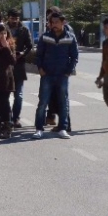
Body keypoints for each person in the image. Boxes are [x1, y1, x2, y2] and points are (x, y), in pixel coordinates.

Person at [33, 12, 78, 140]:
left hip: (62, 75)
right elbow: (39, 55)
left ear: (63, 22)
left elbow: (74, 56)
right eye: (52, 22)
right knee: (43, 102)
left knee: (63, 102)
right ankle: (39, 128)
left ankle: (63, 128)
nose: (54, 25)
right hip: (47, 75)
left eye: (56, 22)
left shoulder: (70, 38)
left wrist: (69, 71)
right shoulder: (45, 37)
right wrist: (40, 69)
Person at [6, 9, 33, 128]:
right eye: (12, 18)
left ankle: (15, 118)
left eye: (16, 19)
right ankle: (6, 118)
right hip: (6, 66)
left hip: (19, 65)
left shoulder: (24, 30)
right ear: (8, 18)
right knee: (5, 94)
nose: (15, 21)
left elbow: (30, 45)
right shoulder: (3, 30)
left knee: (19, 95)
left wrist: (23, 53)